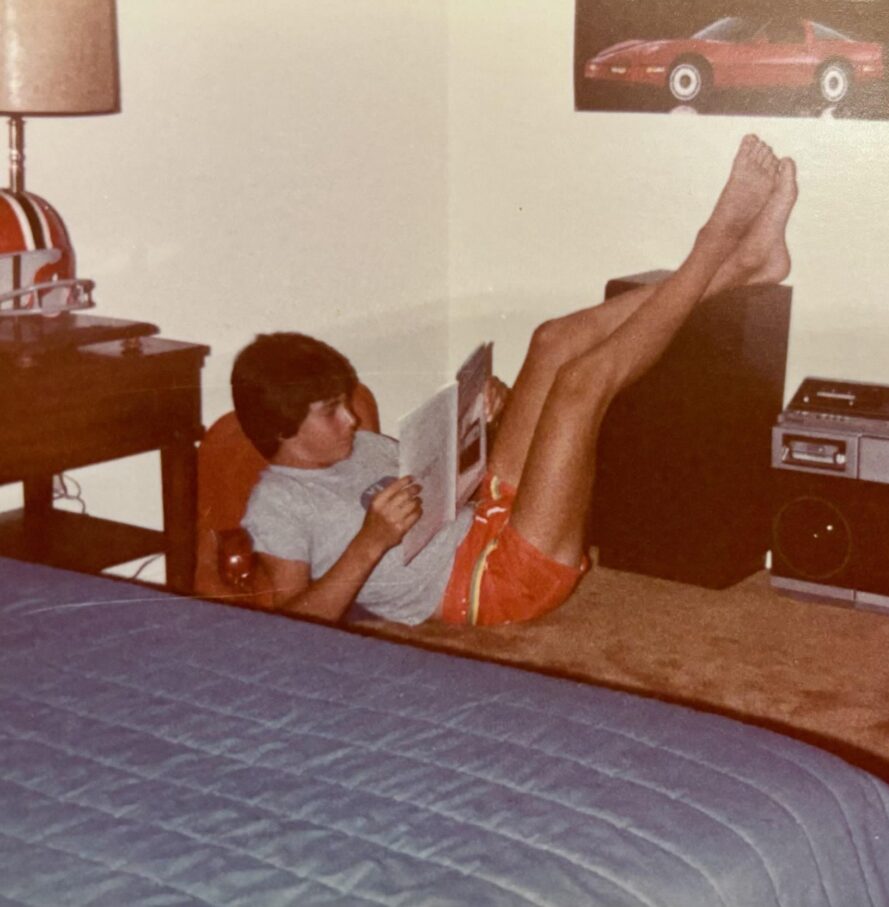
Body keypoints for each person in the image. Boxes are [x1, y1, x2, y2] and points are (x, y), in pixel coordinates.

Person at [232, 134, 799, 626]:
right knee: (581, 384)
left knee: (551, 341)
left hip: (489, 517)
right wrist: (369, 542)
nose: (352, 418)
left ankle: (746, 268)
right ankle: (715, 244)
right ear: (284, 430)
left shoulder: (356, 448)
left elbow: (447, 496)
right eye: (330, 411)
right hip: (491, 582)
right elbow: (289, 628)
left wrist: (484, 424)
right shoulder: (278, 505)